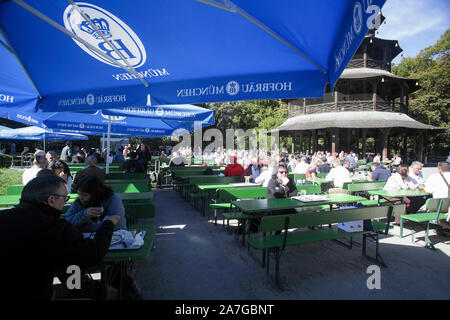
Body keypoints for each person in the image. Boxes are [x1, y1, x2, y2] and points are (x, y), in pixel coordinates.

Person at [0, 175, 119, 300]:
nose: (65, 202)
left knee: (70, 268)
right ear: (51, 200)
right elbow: (94, 252)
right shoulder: (56, 229)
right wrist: (108, 224)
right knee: (82, 282)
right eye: (65, 198)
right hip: (37, 294)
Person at [424, 162, 450, 234]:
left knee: (430, 202)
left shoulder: (434, 177)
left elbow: (428, 191)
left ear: (439, 169)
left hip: (439, 207)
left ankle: (444, 226)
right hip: (448, 206)